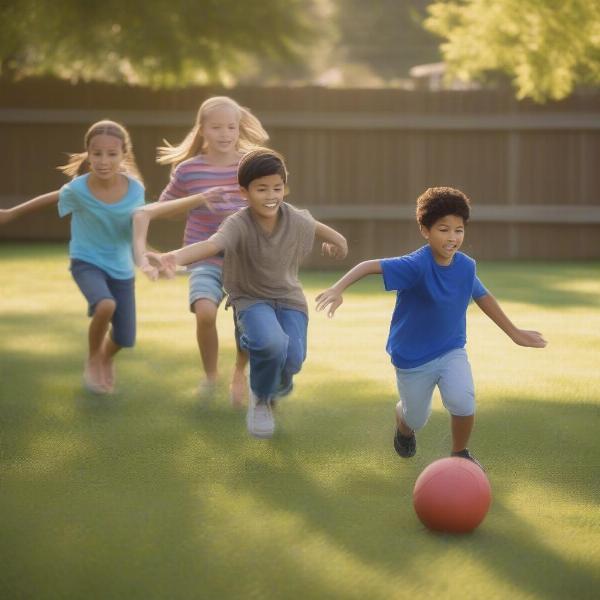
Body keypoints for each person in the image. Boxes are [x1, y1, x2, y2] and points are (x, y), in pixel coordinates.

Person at [315, 186, 547, 469]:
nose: (452, 238)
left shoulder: (465, 267)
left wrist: (515, 333)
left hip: (451, 350)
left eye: (458, 230)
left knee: (463, 401)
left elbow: (482, 296)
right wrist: (338, 288)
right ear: (425, 230)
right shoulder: (415, 265)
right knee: (415, 419)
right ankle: (403, 422)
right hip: (412, 358)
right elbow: (367, 265)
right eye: (443, 229)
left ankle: (460, 452)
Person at [145, 148, 348, 438]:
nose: (270, 195)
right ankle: (261, 399)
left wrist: (338, 245)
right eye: (261, 189)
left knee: (293, 359)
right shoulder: (238, 224)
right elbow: (210, 246)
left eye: (277, 188)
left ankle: (272, 381)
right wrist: (172, 258)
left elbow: (330, 234)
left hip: (290, 300)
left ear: (285, 188)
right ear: (244, 192)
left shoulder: (297, 218)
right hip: (251, 299)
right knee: (271, 343)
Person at [0, 120, 160, 394]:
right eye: (96, 153)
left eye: (111, 154)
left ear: (124, 154)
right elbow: (51, 197)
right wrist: (11, 213)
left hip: (121, 268)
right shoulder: (79, 189)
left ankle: (107, 357)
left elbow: (137, 229)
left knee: (124, 338)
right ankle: (94, 358)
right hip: (86, 261)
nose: (103, 160)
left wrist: (146, 256)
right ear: (87, 153)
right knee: (105, 305)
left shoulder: (135, 190)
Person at [133, 96, 269, 408]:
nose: (225, 133)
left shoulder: (251, 164)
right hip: (202, 256)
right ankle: (210, 376)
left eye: (231, 127)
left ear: (239, 129)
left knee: (246, 322)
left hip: (245, 259)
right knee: (205, 312)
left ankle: (239, 373)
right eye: (217, 127)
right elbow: (165, 209)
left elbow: (270, 202)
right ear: (202, 129)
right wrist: (197, 200)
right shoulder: (189, 171)